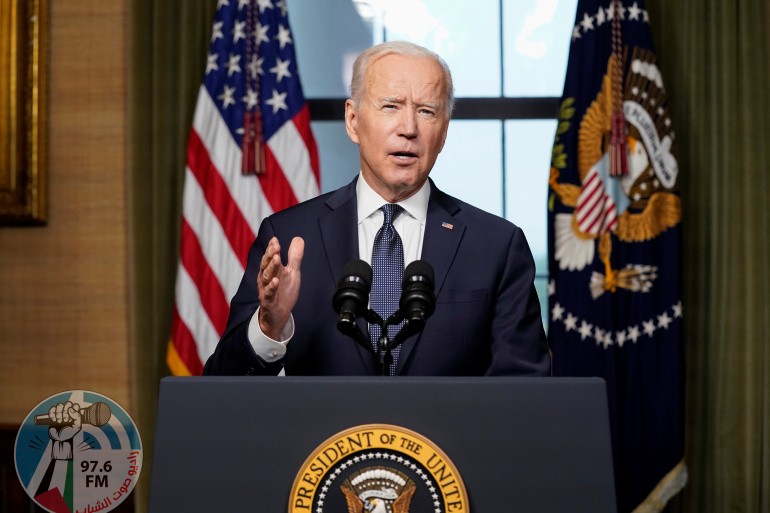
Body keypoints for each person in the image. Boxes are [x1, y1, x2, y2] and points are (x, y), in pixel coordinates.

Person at [203, 41, 550, 377]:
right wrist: (268, 326)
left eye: (426, 111)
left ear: (443, 133)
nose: (409, 129)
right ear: (353, 121)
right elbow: (223, 388)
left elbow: (525, 397)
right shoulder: (289, 237)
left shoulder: (496, 247)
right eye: (391, 106)